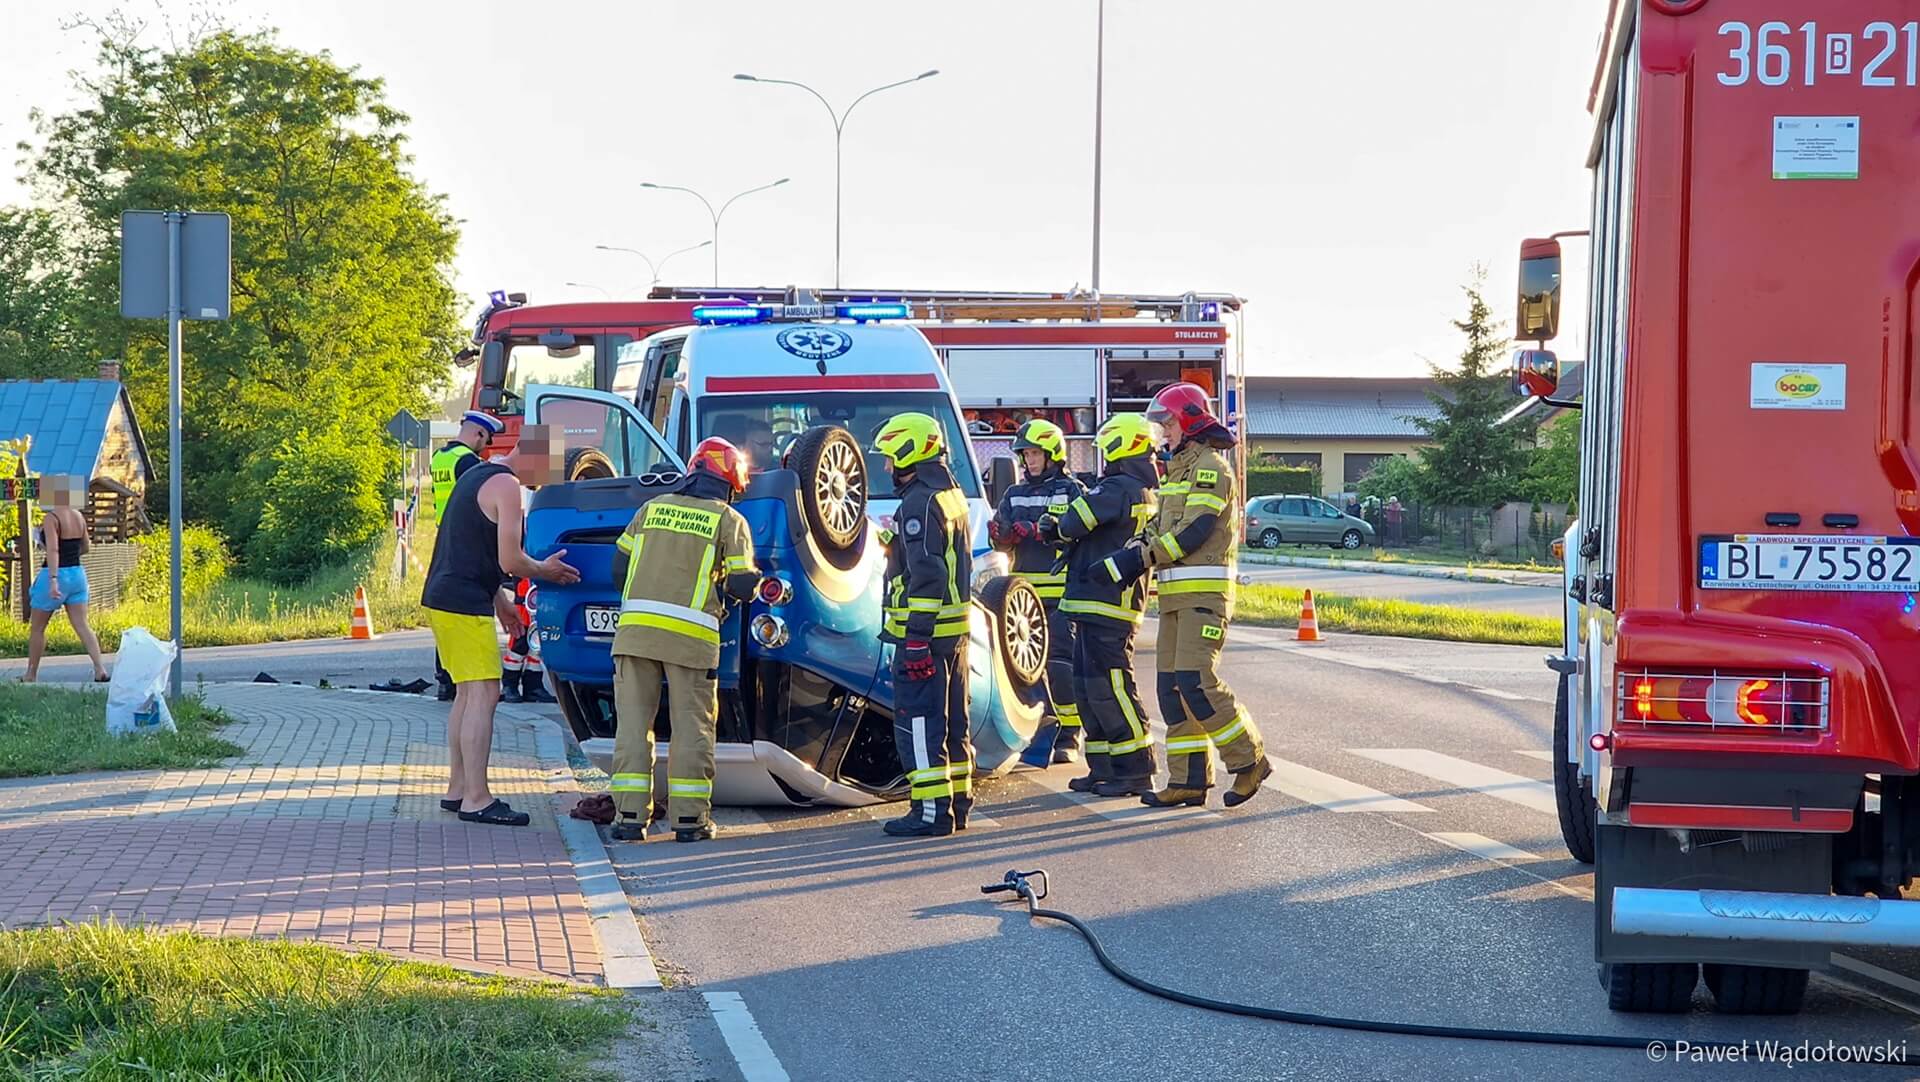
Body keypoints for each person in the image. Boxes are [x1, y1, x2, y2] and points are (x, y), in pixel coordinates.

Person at [1108, 383, 1271, 808]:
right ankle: (1188, 780)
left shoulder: (1211, 468)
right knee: (1172, 689)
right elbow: (1158, 527)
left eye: (1168, 423)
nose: (1163, 432)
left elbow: (1192, 532)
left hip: (1204, 597)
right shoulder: (1177, 472)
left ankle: (1250, 759)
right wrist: (1131, 550)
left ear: (1190, 422)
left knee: (1197, 683)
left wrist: (1140, 558)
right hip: (1175, 598)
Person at [422, 423, 579, 827]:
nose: (542, 483)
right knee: (485, 694)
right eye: (547, 471)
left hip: (444, 596)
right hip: (463, 601)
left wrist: (502, 602)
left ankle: (458, 789)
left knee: (467, 693)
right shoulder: (507, 486)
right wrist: (545, 570)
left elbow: (472, 548)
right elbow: (510, 560)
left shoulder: (477, 474)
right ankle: (477, 798)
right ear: (534, 455)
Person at [605, 438, 760, 844]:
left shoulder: (651, 508)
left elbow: (618, 569)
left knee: (633, 725)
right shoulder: (728, 519)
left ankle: (629, 818)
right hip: (691, 640)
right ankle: (690, 820)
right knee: (691, 727)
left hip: (635, 635)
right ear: (731, 484)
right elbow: (742, 585)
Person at [1038, 413, 1160, 797]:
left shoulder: (1118, 488)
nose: (1103, 456)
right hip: (1098, 603)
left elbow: (1076, 520)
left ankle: (1137, 770)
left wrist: (1053, 527)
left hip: (1106, 603)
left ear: (1120, 446)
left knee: (1112, 689)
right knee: (1090, 690)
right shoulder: (1137, 489)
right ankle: (1104, 768)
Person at [872, 412, 974, 837]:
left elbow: (928, 574)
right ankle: (957, 804)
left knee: (918, 725)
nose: (886, 466)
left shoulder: (919, 503)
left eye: (890, 457)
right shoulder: (950, 495)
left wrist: (915, 637)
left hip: (926, 638)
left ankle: (930, 813)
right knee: (953, 725)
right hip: (954, 634)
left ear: (909, 452)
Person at [988, 420, 1086, 768]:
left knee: (1060, 667)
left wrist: (1042, 531)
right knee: (1025, 671)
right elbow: (1000, 545)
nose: (1029, 460)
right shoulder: (1012, 494)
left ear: (1052, 455)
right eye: (1026, 454)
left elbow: (1081, 534)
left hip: (1060, 596)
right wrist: (1001, 535)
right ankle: (1034, 736)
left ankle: (1069, 735)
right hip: (1022, 601)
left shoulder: (1071, 491)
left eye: (1034, 453)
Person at [431, 411, 505, 701]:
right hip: (466, 537)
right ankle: (461, 681)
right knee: (462, 612)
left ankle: (445, 679)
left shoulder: (439, 457)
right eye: (485, 441)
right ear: (478, 434)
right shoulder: (468, 462)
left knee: (447, 614)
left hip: (444, 537)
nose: (484, 448)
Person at [22, 475, 109, 683]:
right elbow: (86, 547)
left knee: (38, 628)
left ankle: (31, 674)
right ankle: (100, 669)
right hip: (77, 574)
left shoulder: (51, 518)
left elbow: (53, 549)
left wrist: (53, 579)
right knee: (82, 625)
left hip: (55, 574)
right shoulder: (79, 516)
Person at [498, 577, 555, 704]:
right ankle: (509, 685)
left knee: (537, 646)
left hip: (541, 598)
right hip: (525, 599)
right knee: (518, 645)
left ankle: (533, 686)